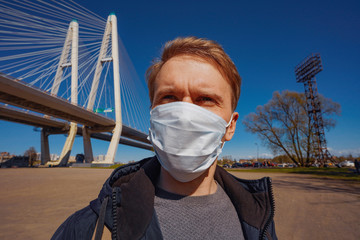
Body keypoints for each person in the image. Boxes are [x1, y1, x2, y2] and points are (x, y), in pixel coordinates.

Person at [52, 37, 277, 240]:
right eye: (169, 97)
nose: (185, 115)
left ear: (231, 126)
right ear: (152, 117)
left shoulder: (258, 217)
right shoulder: (88, 229)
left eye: (206, 99)